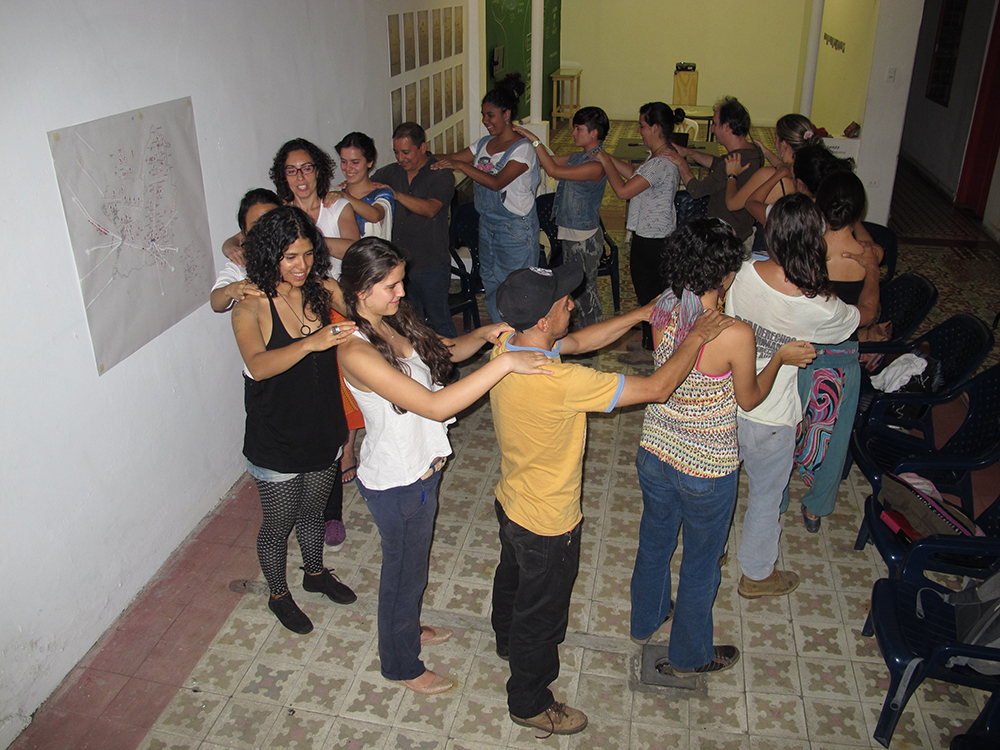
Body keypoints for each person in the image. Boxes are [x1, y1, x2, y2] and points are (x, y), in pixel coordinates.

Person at [489, 262, 735, 735]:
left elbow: (580, 341)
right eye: (564, 301)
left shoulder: (510, 347)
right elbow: (658, 388)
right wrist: (696, 336)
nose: (573, 303)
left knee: (513, 580)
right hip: (549, 525)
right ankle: (529, 701)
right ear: (543, 320)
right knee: (542, 615)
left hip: (512, 501)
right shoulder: (561, 382)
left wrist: (640, 314)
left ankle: (506, 640)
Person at [336, 237, 552, 695]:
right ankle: (401, 664)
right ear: (360, 290)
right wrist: (505, 366)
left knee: (413, 568)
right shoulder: (355, 351)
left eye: (401, 282)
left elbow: (446, 350)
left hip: (422, 471)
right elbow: (435, 406)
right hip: (397, 481)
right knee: (402, 575)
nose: (402, 292)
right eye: (391, 286)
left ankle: (407, 627)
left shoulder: (393, 320)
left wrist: (486, 334)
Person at [630, 219, 816, 679]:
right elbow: (749, 399)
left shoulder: (664, 306)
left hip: (655, 450)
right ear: (726, 276)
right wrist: (780, 358)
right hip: (706, 467)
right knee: (700, 563)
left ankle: (646, 619)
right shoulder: (734, 333)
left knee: (654, 540)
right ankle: (689, 657)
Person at [725, 193, 872, 599]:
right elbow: (864, 316)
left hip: (726, 400)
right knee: (766, 498)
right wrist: (873, 272)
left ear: (770, 234)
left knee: (722, 486)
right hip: (774, 417)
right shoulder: (822, 307)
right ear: (816, 241)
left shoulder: (741, 273)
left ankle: (715, 552)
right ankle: (756, 575)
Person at [231, 205, 359, 634]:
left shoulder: (321, 288)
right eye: (290, 257)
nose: (301, 265)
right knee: (278, 522)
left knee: (314, 510)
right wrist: (312, 343)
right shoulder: (249, 307)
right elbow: (258, 366)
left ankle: (315, 573)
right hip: (277, 434)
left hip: (323, 425)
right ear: (270, 256)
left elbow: (363, 314)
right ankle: (278, 595)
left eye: (307, 254)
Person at [784, 171, 879, 532]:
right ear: (858, 211)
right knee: (834, 438)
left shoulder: (804, 249)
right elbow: (868, 313)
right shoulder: (867, 255)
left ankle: (777, 498)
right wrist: (872, 270)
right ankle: (816, 507)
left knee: (786, 427)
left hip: (797, 354)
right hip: (840, 362)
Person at [432, 73, 540, 323]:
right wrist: (421, 157)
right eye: (483, 115)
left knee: (517, 289)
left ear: (507, 114)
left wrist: (462, 165)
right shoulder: (483, 144)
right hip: (488, 226)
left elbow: (496, 182)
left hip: (515, 230)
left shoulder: (523, 149)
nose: (485, 121)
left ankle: (520, 338)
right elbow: (451, 157)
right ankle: (501, 335)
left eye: (490, 115)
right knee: (492, 285)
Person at [595, 102, 683, 364]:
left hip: (652, 239)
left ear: (655, 128)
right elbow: (637, 174)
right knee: (652, 294)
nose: (639, 131)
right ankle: (649, 342)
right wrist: (607, 156)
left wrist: (604, 160)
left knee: (650, 296)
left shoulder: (660, 162)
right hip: (657, 235)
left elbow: (624, 191)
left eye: (642, 126)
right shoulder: (661, 156)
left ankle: (653, 348)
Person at [514, 106, 610, 328]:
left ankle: (594, 338)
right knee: (577, 291)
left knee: (586, 295)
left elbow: (553, 171)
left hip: (584, 239)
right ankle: (585, 335)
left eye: (578, 129)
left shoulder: (596, 165)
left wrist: (534, 139)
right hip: (572, 235)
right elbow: (551, 161)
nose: (573, 133)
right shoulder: (579, 158)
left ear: (593, 133)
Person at [371, 122, 457, 337]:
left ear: (422, 148)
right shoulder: (391, 172)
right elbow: (365, 185)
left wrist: (396, 195)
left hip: (431, 264)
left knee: (440, 323)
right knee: (410, 326)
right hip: (400, 266)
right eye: (396, 152)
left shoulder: (440, 174)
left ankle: (451, 361)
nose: (401, 158)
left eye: (406, 152)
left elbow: (431, 209)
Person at [222, 139, 361, 270]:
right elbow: (237, 239)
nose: (300, 177)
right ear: (284, 176)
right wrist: (230, 249)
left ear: (317, 171)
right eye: (291, 171)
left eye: (306, 169)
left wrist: (309, 238)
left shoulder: (337, 206)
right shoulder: (280, 212)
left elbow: (355, 252)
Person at [666, 96, 764, 244]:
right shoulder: (753, 152)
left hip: (726, 239)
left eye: (715, 124)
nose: (712, 129)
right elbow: (718, 163)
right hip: (743, 233)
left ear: (727, 127)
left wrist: (680, 162)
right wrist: (689, 152)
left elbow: (697, 190)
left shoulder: (736, 162)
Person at [210, 188, 279, 312]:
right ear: (244, 231)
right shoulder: (242, 263)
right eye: (256, 226)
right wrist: (231, 290)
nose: (266, 231)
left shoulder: (299, 252)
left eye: (271, 223)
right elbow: (216, 302)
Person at [330, 132, 394, 240]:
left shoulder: (382, 193)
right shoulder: (334, 191)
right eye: (344, 162)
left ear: (370, 162)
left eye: (355, 162)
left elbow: (375, 215)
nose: (348, 168)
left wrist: (345, 196)